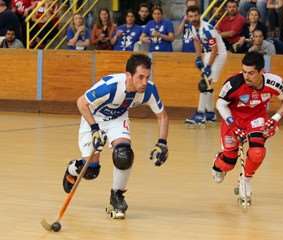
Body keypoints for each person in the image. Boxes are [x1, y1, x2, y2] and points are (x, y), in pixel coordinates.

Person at [61, 54, 169, 218]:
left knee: (123, 154)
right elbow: (81, 102)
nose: (144, 82)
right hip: (93, 118)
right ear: (128, 75)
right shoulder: (110, 86)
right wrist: (95, 129)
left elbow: (162, 116)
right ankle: (72, 170)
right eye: (140, 77)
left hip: (117, 119)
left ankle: (116, 196)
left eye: (147, 77)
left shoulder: (149, 90)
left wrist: (162, 142)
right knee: (91, 171)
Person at [212, 51, 283, 205]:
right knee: (228, 163)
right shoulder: (234, 83)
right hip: (233, 119)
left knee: (257, 152)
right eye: (244, 71)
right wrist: (233, 125)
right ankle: (218, 163)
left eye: (251, 73)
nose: (246, 76)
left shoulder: (274, 82)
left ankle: (245, 180)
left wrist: (275, 118)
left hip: (256, 119)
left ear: (262, 72)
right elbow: (220, 104)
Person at [184, 6, 227, 126]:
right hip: (208, 53)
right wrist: (198, 57)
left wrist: (208, 66)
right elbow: (196, 41)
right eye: (191, 16)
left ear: (199, 15)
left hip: (218, 54)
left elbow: (215, 49)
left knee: (204, 83)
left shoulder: (207, 29)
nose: (193, 18)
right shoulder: (191, 27)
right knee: (208, 84)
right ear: (187, 17)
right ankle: (210, 114)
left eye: (195, 15)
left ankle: (200, 114)